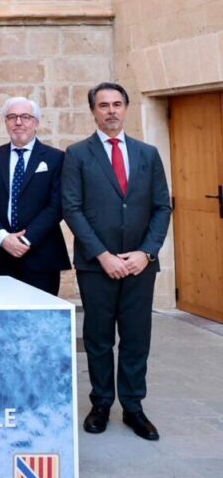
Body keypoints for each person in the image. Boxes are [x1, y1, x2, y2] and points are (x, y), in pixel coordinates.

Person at [62, 82, 171, 441]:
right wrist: (103, 255)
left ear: (125, 108)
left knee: (137, 337)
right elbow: (72, 209)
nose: (111, 110)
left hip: (141, 265)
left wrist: (146, 252)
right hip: (98, 266)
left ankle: (134, 408)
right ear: (93, 110)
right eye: (104, 105)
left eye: (117, 104)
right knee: (98, 337)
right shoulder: (77, 155)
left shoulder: (147, 154)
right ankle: (101, 403)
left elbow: (161, 207)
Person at [0, 97, 70, 295]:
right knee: (5, 320)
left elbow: (57, 205)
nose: (18, 122)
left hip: (42, 255)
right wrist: (3, 238)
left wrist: (26, 240)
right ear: (6, 123)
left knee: (41, 321)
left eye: (25, 117)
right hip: (3, 254)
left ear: (36, 123)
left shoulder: (55, 158)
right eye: (12, 117)